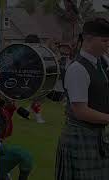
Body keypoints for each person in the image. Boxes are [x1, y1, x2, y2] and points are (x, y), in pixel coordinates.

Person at [55, 18, 109, 179]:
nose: (108, 45)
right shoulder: (77, 69)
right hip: (80, 136)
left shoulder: (102, 62)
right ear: (88, 39)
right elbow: (81, 111)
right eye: (105, 40)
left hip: (97, 135)